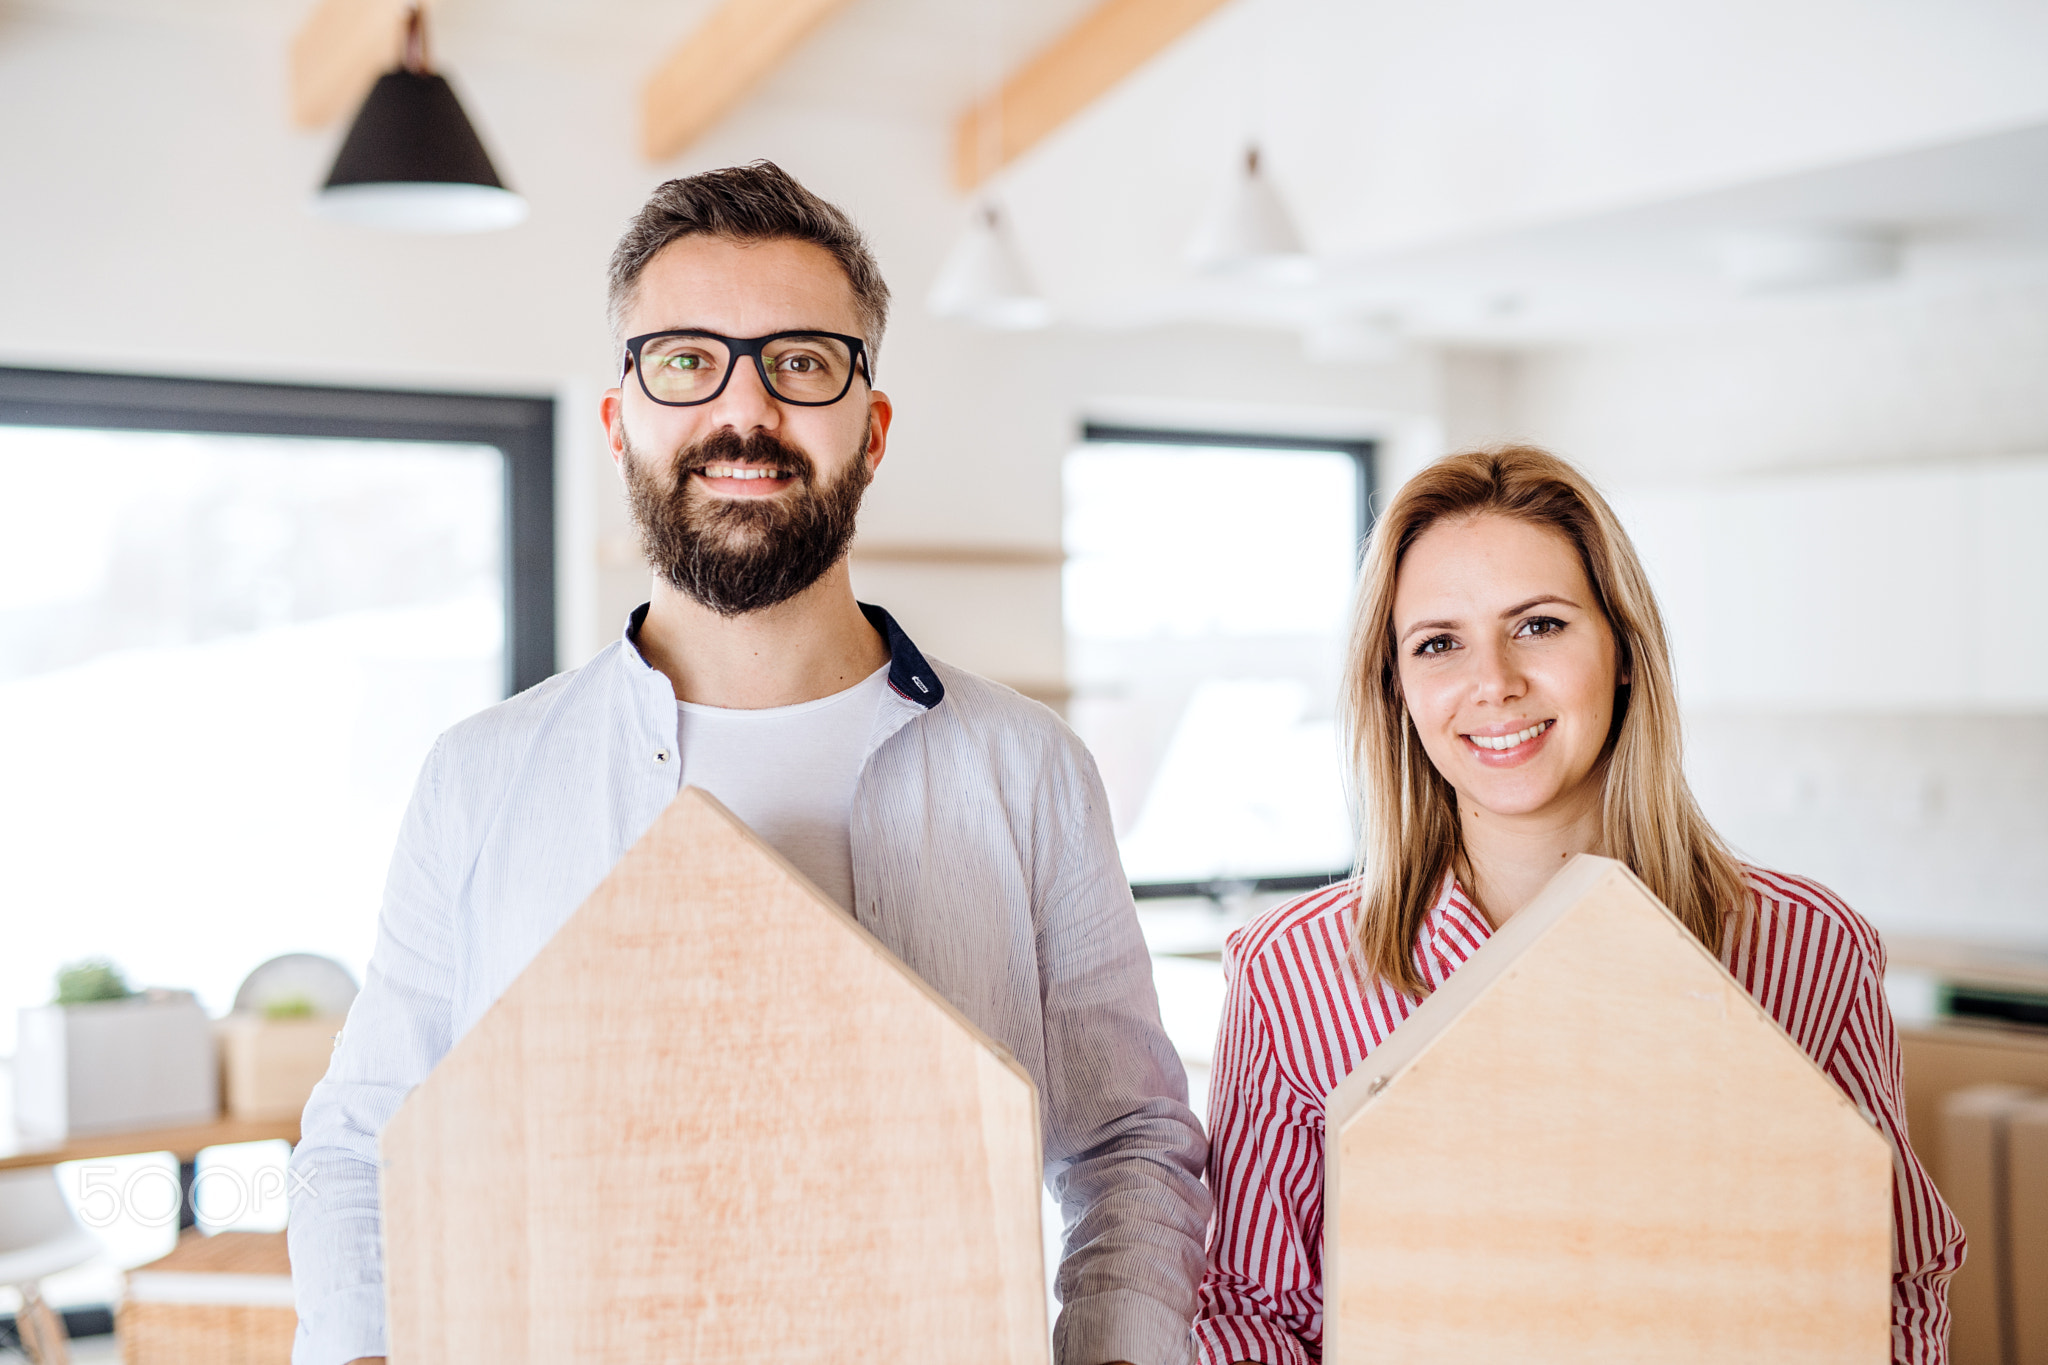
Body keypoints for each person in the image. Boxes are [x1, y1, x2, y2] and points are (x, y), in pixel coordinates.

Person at [288, 162, 1208, 1365]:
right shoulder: (480, 779)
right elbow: (365, 1142)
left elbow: (1128, 1142)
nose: (745, 411)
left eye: (801, 362)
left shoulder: (1026, 769)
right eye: (685, 359)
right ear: (621, 418)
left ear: (869, 431)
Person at [1194, 446, 1963, 1365]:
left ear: (1625, 650)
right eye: (1439, 642)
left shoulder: (1806, 948)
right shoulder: (1290, 975)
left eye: (1540, 625)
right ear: (1397, 687)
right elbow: (1248, 1311)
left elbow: (1893, 1275)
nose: (1495, 682)